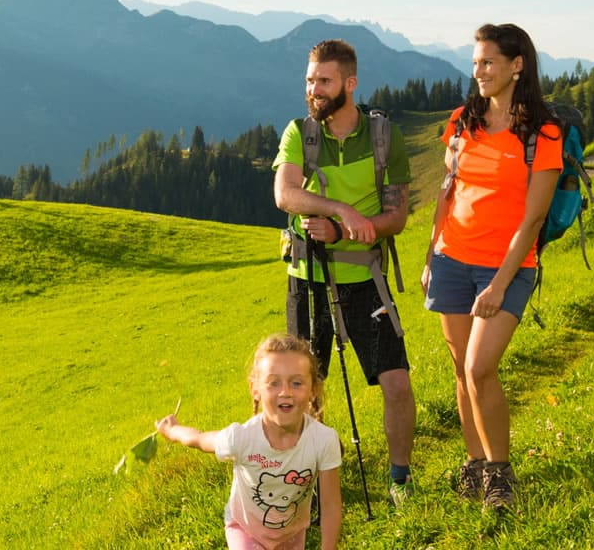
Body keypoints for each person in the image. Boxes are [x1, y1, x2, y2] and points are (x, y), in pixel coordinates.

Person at [271, 39, 417, 503]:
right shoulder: (299, 133)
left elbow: (398, 217)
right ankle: (307, 486)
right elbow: (285, 194)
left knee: (395, 381)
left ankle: (400, 481)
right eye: (310, 80)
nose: (314, 89)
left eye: (324, 80)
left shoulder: (383, 137)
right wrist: (339, 211)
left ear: (350, 84)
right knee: (303, 390)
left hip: (365, 282)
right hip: (307, 279)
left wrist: (348, 230)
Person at [423, 23, 561, 511]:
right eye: (475, 62)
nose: (478, 71)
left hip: (506, 267)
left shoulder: (542, 133)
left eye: (488, 63)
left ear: (516, 65)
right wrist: (430, 255)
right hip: (451, 260)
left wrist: (500, 284)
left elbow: (534, 218)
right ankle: (475, 463)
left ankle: (500, 475)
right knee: (462, 371)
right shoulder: (463, 121)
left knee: (481, 367)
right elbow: (447, 190)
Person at [157, 334, 342, 550]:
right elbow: (199, 439)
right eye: (273, 383)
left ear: (313, 390)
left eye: (297, 383)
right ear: (255, 389)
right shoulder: (242, 438)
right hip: (245, 530)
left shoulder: (324, 440)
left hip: (292, 533)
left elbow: (330, 506)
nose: (285, 392)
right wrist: (173, 430)